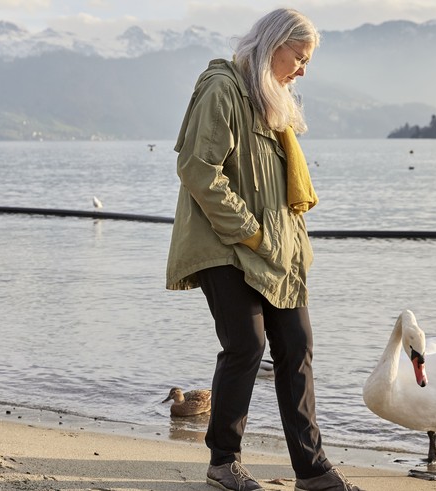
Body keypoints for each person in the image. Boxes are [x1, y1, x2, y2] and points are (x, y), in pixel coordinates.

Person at [166, 8, 365, 491]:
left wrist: (277, 242)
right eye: (300, 57)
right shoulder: (223, 89)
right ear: (274, 44)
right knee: (247, 345)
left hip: (279, 252)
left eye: (307, 61)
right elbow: (198, 170)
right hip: (225, 245)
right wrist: (252, 231)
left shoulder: (270, 100)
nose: (303, 69)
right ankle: (223, 462)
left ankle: (312, 471)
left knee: (296, 348)